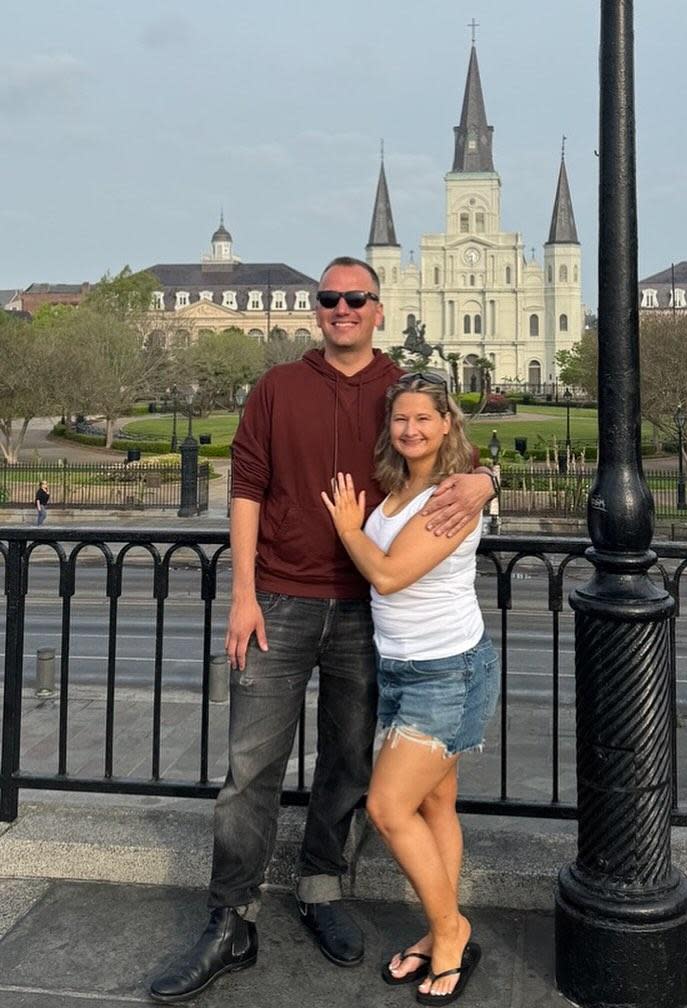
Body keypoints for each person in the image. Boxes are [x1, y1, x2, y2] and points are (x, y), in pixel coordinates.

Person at [148, 257, 495, 1004]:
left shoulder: (401, 385)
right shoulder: (279, 387)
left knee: (348, 763)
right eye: (330, 298)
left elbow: (453, 448)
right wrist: (242, 595)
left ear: (377, 308)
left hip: (367, 613)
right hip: (278, 600)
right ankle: (230, 919)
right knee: (250, 769)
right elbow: (246, 489)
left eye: (356, 298)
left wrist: (487, 477)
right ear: (319, 310)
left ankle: (320, 887)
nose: (342, 308)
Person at [321, 373, 500, 1006]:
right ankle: (438, 927)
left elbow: (391, 575)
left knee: (388, 807)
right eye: (400, 419)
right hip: (402, 667)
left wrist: (348, 528)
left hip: (445, 671)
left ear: (448, 423)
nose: (412, 429)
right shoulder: (402, 489)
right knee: (434, 807)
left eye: (425, 418)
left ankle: (452, 931)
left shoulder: (450, 495)